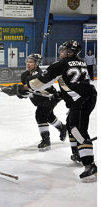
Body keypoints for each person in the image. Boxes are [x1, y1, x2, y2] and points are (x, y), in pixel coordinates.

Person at [27, 40, 97, 182]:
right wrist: (61, 94)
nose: (61, 52)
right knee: (70, 122)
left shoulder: (61, 64)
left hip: (81, 100)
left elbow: (39, 83)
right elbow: (74, 82)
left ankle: (90, 165)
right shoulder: (81, 61)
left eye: (64, 50)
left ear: (70, 52)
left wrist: (24, 88)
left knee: (78, 129)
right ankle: (77, 153)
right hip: (87, 97)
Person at [1, 53, 67, 151]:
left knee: (40, 114)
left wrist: (15, 89)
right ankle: (62, 127)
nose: (28, 64)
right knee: (48, 116)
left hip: (50, 97)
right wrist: (10, 91)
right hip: (38, 99)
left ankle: (46, 140)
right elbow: (26, 92)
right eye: (28, 61)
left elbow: (28, 87)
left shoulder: (39, 74)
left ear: (37, 64)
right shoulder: (24, 75)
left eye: (31, 62)